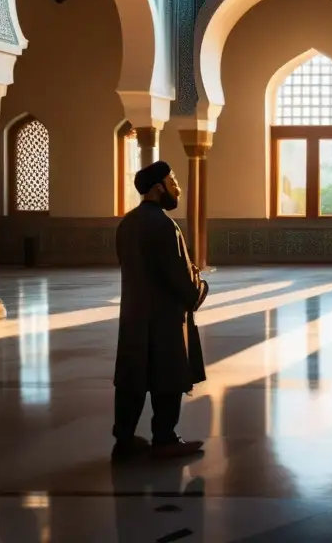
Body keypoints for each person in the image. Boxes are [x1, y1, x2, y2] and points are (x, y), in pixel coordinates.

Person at [111, 160, 208, 461]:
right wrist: (200, 289)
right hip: (165, 318)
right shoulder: (165, 226)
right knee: (168, 376)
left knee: (133, 378)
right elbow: (182, 280)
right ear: (158, 188)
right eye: (172, 180)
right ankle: (165, 438)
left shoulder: (127, 224)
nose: (177, 187)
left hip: (134, 316)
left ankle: (124, 441)